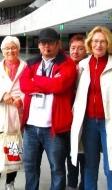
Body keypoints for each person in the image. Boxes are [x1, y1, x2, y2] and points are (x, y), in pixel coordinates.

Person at [70, 26, 112, 190]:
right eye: (95, 41)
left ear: (108, 44)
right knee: (90, 166)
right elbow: (78, 93)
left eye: (103, 41)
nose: (99, 45)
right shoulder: (83, 65)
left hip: (110, 122)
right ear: (90, 43)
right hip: (89, 122)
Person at [20, 28, 77, 190]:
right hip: (31, 127)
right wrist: (49, 83)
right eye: (43, 43)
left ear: (58, 44)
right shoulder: (31, 63)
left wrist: (35, 80)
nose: (47, 47)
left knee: (57, 168)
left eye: (50, 43)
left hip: (54, 128)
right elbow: (24, 86)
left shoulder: (67, 64)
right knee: (30, 166)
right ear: (38, 45)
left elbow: (59, 85)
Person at [0, 36, 27, 190]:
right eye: (7, 48)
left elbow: (32, 89)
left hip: (16, 114)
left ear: (19, 49)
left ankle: (10, 182)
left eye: (13, 47)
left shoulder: (26, 67)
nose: (10, 51)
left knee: (13, 150)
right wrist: (2, 95)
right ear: (2, 51)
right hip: (0, 115)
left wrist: (21, 99)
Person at [66, 34, 87, 190]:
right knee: (71, 152)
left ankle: (84, 185)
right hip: (68, 116)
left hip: (86, 117)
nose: (76, 52)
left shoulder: (88, 67)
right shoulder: (65, 65)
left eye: (81, 48)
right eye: (73, 48)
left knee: (85, 153)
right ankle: (71, 183)